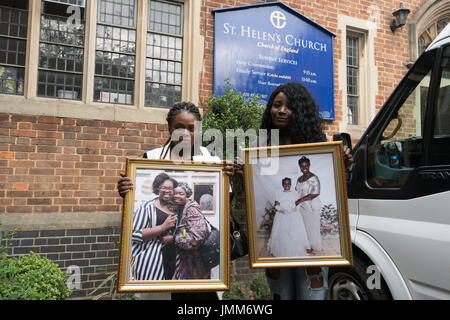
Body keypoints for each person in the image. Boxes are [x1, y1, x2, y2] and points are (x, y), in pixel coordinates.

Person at [118, 101, 232, 300]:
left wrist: (233, 178)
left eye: (191, 128)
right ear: (169, 127)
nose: (185, 134)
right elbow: (136, 208)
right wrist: (126, 191)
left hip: (195, 266)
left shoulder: (212, 160)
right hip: (159, 263)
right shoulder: (150, 159)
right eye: (179, 127)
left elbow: (225, 202)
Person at [254, 81, 353, 300]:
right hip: (283, 224)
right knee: (281, 292)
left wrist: (341, 166)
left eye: (289, 106)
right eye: (276, 104)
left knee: (313, 290)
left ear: (301, 111)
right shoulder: (260, 152)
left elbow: (330, 186)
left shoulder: (320, 149)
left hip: (306, 213)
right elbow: (258, 194)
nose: (281, 110)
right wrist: (244, 174)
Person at [131, 172, 178, 281]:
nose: (167, 191)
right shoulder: (147, 207)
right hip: (151, 260)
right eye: (163, 187)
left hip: (171, 259)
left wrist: (172, 238)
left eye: (170, 188)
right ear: (157, 189)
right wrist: (162, 227)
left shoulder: (175, 208)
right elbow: (134, 234)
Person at [173, 182, 211, 280]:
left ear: (187, 195)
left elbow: (196, 237)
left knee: (194, 290)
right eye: (175, 193)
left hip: (194, 261)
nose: (177, 196)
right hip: (187, 259)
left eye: (181, 194)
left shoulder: (192, 210)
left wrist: (174, 239)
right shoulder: (179, 208)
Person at [268, 177, 310, 257]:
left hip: (293, 214)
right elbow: (276, 204)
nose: (287, 185)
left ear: (290, 184)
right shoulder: (278, 193)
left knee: (293, 232)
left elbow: (298, 203)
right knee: (283, 232)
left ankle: (295, 249)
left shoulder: (295, 193)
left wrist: (294, 209)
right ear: (282, 184)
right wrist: (281, 210)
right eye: (285, 183)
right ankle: (281, 249)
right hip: (282, 214)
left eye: (288, 183)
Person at [295, 156, 323, 253]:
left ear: (309, 165)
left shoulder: (314, 178)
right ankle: (305, 245)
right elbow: (296, 192)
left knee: (312, 226)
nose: (304, 168)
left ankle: (312, 245)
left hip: (311, 205)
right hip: (301, 206)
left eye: (306, 166)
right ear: (300, 167)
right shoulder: (299, 179)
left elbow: (316, 193)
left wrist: (300, 200)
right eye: (302, 166)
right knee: (303, 226)